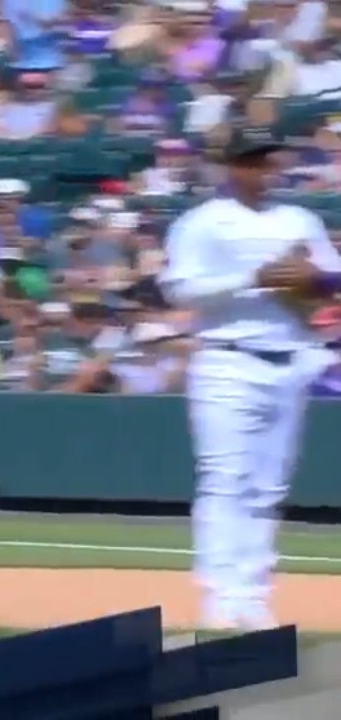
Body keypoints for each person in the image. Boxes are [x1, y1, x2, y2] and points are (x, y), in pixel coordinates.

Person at [159, 121, 341, 631]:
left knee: (268, 489)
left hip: (291, 356)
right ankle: (221, 597)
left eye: (270, 160)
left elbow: (331, 278)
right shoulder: (205, 222)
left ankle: (255, 596)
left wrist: (312, 279)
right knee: (225, 480)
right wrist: (253, 278)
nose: (264, 169)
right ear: (230, 166)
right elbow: (178, 289)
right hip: (227, 359)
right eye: (253, 160)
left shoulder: (299, 219)